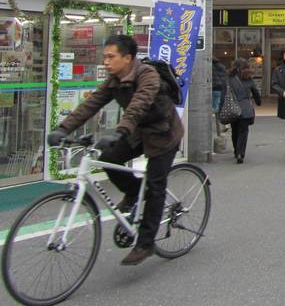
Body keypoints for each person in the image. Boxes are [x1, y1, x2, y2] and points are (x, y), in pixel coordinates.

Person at [47, 35, 183, 266]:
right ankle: (133, 192)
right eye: (104, 57)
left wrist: (120, 131)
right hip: (138, 132)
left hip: (164, 133)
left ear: (127, 58)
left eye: (111, 57)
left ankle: (146, 243)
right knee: (109, 157)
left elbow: (139, 104)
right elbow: (91, 104)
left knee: (155, 185)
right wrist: (63, 129)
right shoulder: (114, 80)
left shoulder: (147, 75)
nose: (106, 62)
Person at [228, 58, 261, 163]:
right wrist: (258, 102)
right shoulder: (248, 79)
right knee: (243, 131)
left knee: (234, 130)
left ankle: (236, 150)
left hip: (233, 107)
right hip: (245, 108)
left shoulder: (230, 78)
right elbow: (255, 92)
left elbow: (225, 92)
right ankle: (240, 153)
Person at [211, 57, 228, 134]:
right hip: (222, 89)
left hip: (214, 89)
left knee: (215, 108)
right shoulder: (223, 67)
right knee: (221, 107)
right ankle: (225, 124)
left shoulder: (211, 68)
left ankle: (220, 126)